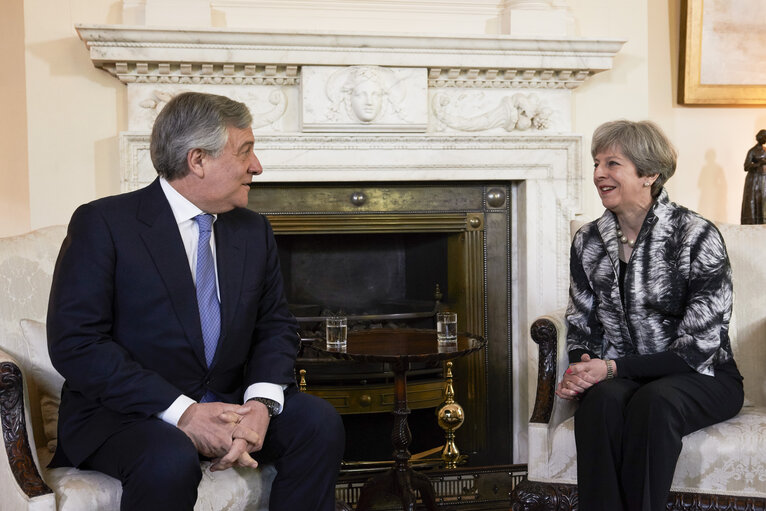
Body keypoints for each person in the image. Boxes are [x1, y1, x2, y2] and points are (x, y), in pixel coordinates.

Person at [47, 91, 345, 511]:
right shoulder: (105, 224)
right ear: (198, 160)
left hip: (230, 402)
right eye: (245, 152)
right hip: (130, 415)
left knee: (318, 423)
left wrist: (259, 404)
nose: (256, 167)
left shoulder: (252, 230)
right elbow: (76, 344)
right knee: (168, 456)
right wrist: (185, 413)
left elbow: (274, 325)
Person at [555, 120, 744, 511]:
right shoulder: (588, 240)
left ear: (649, 174)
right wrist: (582, 368)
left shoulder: (695, 235)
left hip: (703, 376)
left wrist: (610, 369)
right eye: (596, 163)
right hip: (623, 373)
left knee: (654, 402)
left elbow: (698, 347)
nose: (598, 175)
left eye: (612, 164)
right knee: (600, 403)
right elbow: (581, 323)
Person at [741, 128, 766, 224]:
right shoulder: (752, 151)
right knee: (753, 201)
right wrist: (759, 164)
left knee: (763, 201)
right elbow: (746, 166)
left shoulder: (765, 150)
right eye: (764, 138)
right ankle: (752, 222)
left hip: (764, 179)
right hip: (754, 179)